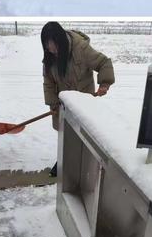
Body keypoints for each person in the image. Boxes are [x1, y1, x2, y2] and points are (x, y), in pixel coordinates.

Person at [41, 22, 115, 176]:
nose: (51, 50)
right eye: (47, 46)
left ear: (60, 40)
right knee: (66, 134)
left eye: (53, 46)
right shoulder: (49, 56)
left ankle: (83, 168)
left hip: (83, 102)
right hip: (64, 104)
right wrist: (53, 102)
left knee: (82, 135)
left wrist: (105, 84)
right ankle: (63, 163)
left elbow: (104, 63)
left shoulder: (81, 49)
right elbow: (48, 82)